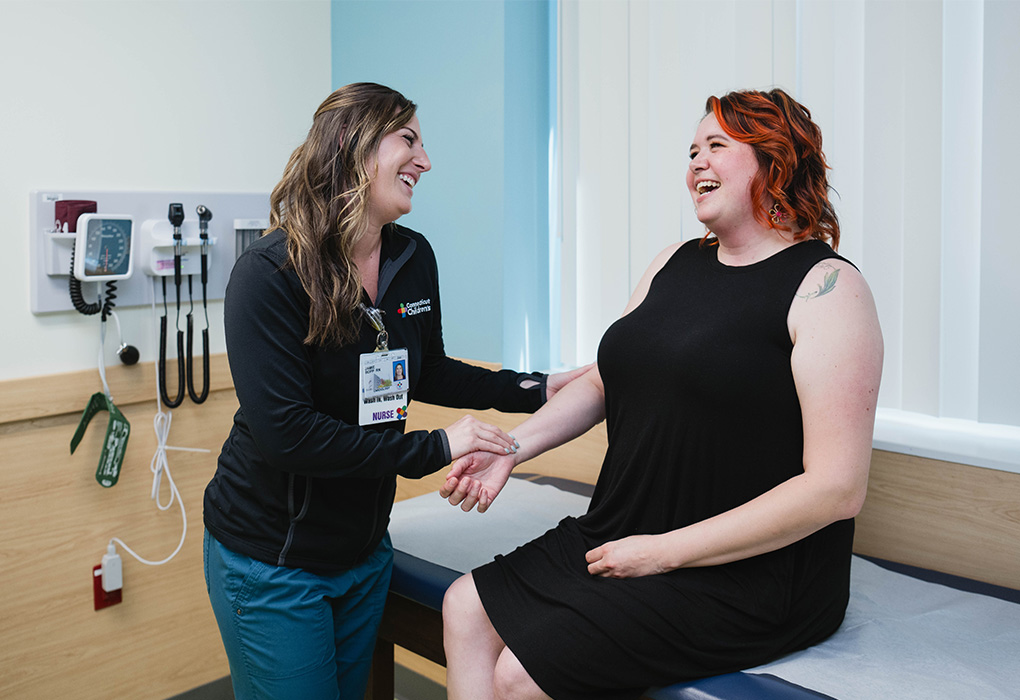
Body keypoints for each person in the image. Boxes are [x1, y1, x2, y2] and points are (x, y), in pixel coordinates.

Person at [440, 88, 884, 700]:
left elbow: (837, 488)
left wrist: (665, 554)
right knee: (463, 606)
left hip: (750, 572)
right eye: (692, 150)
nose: (696, 162)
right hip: (628, 526)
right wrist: (511, 447)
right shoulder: (672, 262)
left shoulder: (827, 288)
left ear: (775, 161)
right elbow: (604, 378)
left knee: (520, 674)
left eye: (718, 147)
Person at [202, 82, 585, 700]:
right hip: (273, 560)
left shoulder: (410, 254)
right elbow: (287, 435)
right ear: (353, 145)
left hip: (363, 549)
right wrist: (435, 449)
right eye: (408, 138)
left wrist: (537, 387)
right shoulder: (269, 274)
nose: (425, 161)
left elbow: (427, 369)